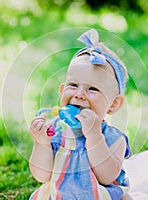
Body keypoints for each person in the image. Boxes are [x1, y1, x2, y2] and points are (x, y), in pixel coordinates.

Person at [29, 29, 132, 200]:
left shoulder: (113, 138)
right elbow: (42, 176)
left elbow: (107, 177)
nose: (79, 94)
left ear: (113, 104)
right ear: (62, 91)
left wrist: (94, 135)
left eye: (92, 89)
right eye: (73, 85)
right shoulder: (54, 131)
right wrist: (41, 144)